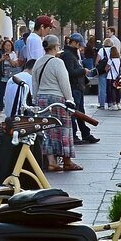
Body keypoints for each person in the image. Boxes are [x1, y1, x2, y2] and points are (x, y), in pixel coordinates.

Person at [33, 34, 80, 172]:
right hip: (57, 99)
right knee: (64, 129)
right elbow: (64, 83)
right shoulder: (58, 62)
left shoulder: (38, 62)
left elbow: (34, 82)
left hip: (42, 99)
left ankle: (51, 161)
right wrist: (70, 99)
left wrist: (36, 99)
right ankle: (67, 161)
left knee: (47, 130)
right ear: (56, 47)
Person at [61, 33, 98, 144]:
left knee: (80, 111)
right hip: (74, 86)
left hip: (78, 86)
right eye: (79, 45)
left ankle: (85, 133)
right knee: (74, 111)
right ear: (74, 43)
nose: (81, 47)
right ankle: (74, 135)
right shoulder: (68, 55)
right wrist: (83, 71)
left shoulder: (72, 54)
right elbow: (70, 72)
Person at [0, 37, 20, 111]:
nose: (7, 47)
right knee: (1, 90)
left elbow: (15, 64)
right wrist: (2, 59)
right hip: (2, 74)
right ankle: (0, 106)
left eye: (9, 46)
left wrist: (9, 59)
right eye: (6, 45)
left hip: (10, 74)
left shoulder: (13, 54)